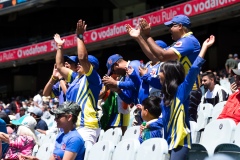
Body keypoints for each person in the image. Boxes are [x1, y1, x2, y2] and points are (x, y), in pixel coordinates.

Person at [145, 35, 215, 160]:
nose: (158, 74)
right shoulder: (165, 97)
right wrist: (150, 125)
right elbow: (166, 119)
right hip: (169, 141)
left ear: (168, 74)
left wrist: (204, 47)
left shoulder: (182, 90)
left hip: (181, 142)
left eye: (160, 71)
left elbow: (194, 69)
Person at [126, 14, 202, 122]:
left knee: (185, 128)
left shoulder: (188, 40)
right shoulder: (181, 43)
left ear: (180, 26)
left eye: (172, 26)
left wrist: (147, 35)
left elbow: (162, 55)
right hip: (182, 91)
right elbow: (156, 57)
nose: (169, 29)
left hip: (190, 91)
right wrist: (139, 37)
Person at [54, 19, 102, 144]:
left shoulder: (92, 78)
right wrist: (60, 46)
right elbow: (59, 66)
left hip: (87, 126)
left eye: (82, 63)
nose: (78, 64)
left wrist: (80, 36)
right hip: (74, 126)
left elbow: (82, 57)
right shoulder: (75, 77)